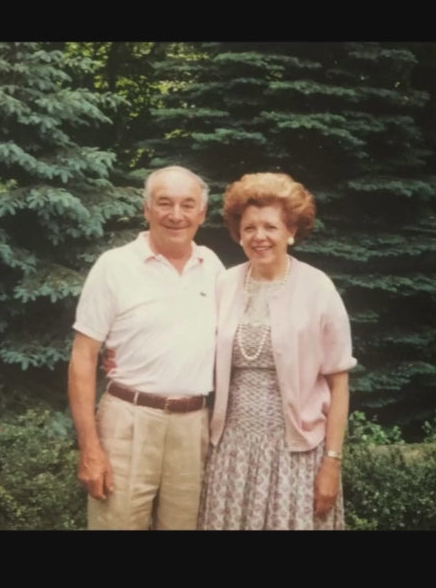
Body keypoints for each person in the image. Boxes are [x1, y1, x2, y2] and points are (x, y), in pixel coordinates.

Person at [68, 166, 225, 530]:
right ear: (147, 209)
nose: (176, 215)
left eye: (188, 205)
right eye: (165, 203)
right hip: (128, 422)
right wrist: (90, 448)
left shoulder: (214, 268)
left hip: (192, 426)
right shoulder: (114, 266)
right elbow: (83, 356)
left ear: (202, 214)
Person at [198, 172, 357, 530]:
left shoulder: (318, 288)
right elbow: (195, 345)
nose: (259, 236)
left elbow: (339, 384)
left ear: (291, 231)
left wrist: (332, 461)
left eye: (270, 227)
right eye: (249, 228)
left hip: (296, 454)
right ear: (238, 233)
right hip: (231, 451)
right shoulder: (225, 284)